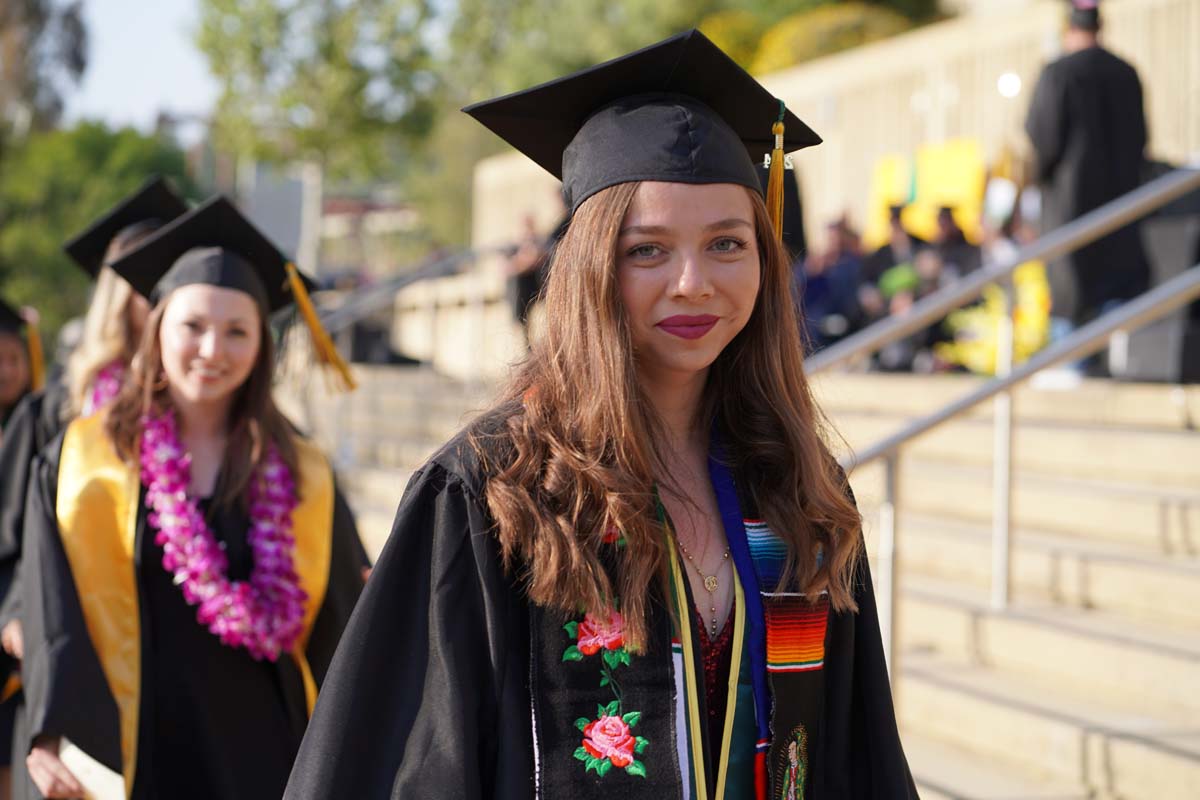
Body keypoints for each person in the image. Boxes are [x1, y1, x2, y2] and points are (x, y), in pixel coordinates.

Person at [285, 30, 915, 800]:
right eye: (647, 250)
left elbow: (856, 755)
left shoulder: (796, 486)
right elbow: (411, 763)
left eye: (727, 243)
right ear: (589, 269)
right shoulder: (496, 491)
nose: (694, 283)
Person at [18, 195, 367, 800]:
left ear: (263, 343)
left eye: (237, 331)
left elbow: (341, 617)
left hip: (267, 751)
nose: (212, 350)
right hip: (137, 747)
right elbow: (53, 606)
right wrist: (48, 728)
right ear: (157, 329)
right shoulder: (86, 458)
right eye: (193, 326)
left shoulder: (300, 468)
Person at [0, 177, 188, 800]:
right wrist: (20, 623)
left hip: (180, 687)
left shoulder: (214, 418)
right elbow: (10, 547)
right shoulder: (57, 413)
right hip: (72, 679)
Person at [1025, 0, 1150, 331]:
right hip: (1121, 201)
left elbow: (1044, 138)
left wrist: (1036, 179)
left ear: (1069, 29)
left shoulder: (1058, 73)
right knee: (1116, 283)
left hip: (1071, 203)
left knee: (1072, 289)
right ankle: (1117, 355)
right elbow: (1140, 139)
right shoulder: (1126, 72)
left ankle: (1072, 360)